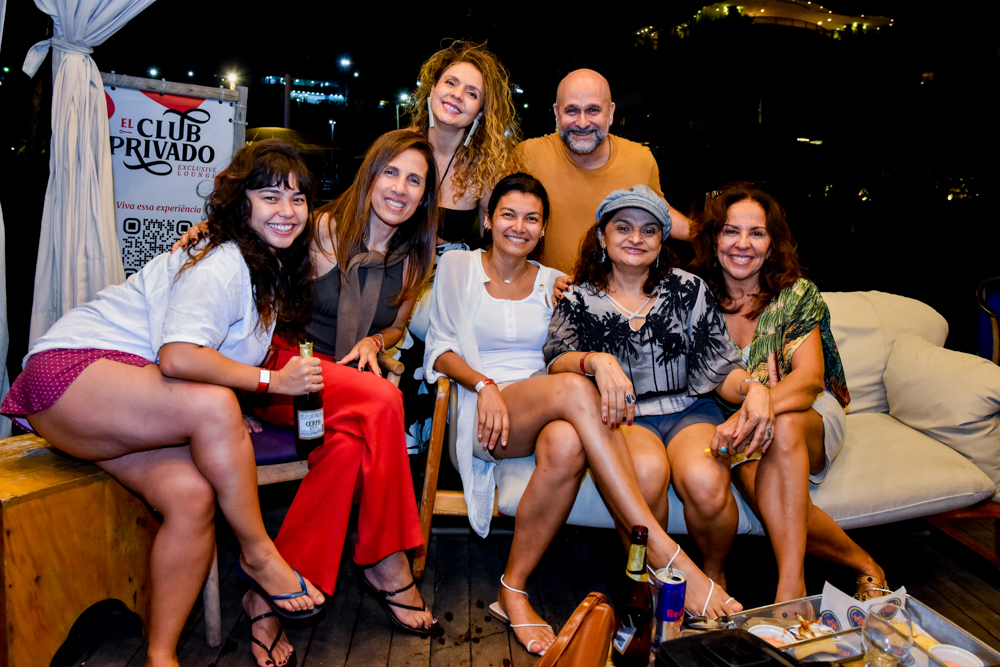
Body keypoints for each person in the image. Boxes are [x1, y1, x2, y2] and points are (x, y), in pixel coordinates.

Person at [0, 139, 326, 667]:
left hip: (110, 404)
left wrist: (235, 411)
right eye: (270, 197)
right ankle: (258, 553)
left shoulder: (262, 269)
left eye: (298, 199)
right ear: (240, 202)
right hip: (70, 373)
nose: (286, 211)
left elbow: (199, 362)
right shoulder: (222, 260)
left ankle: (160, 656)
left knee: (191, 495)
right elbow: (178, 357)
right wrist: (270, 381)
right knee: (215, 406)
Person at [424, 174, 740, 656]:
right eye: (508, 214)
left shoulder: (555, 283)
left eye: (531, 218)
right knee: (576, 387)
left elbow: (560, 348)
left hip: (549, 408)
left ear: (543, 229)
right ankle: (663, 551)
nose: (519, 226)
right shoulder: (456, 266)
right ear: (488, 220)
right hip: (485, 408)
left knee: (567, 440)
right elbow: (439, 346)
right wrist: (483, 385)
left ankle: (512, 588)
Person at [245, 130, 440, 665]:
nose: (400, 188)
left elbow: (398, 328)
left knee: (349, 449)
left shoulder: (414, 255)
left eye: (415, 180)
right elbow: (248, 269)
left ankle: (265, 596)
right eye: (390, 172)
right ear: (370, 175)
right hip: (289, 370)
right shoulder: (322, 227)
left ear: (424, 195)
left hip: (343, 387)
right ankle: (387, 560)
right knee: (383, 401)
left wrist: (376, 340)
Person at [544, 184, 775, 607]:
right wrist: (596, 361)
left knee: (705, 481)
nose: (636, 238)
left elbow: (720, 367)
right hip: (625, 418)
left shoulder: (688, 290)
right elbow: (557, 360)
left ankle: (712, 575)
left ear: (661, 241)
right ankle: (654, 589)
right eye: (623, 227)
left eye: (649, 230)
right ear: (602, 237)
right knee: (647, 474)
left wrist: (753, 388)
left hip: (690, 410)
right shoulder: (578, 296)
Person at [690, 181, 887, 604]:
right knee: (768, 492)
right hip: (739, 428)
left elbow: (809, 379)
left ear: (771, 243)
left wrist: (749, 413)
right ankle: (866, 565)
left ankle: (789, 588)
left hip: (806, 412)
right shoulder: (695, 296)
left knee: (782, 429)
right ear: (714, 238)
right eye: (730, 231)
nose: (742, 244)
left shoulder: (795, 294)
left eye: (756, 233)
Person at [401, 40, 522, 454]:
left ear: (481, 111)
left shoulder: (484, 166)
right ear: (432, 89)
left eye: (472, 93)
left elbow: (503, 234)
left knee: (435, 320)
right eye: (450, 83)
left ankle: (442, 431)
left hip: (449, 281)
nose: (457, 96)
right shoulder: (399, 146)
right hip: (395, 272)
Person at [516, 69, 691, 274]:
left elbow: (659, 210)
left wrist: (704, 234)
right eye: (571, 110)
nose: (582, 123)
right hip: (546, 291)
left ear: (610, 112)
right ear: (557, 113)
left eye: (593, 110)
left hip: (616, 291)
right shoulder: (528, 155)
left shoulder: (640, 158)